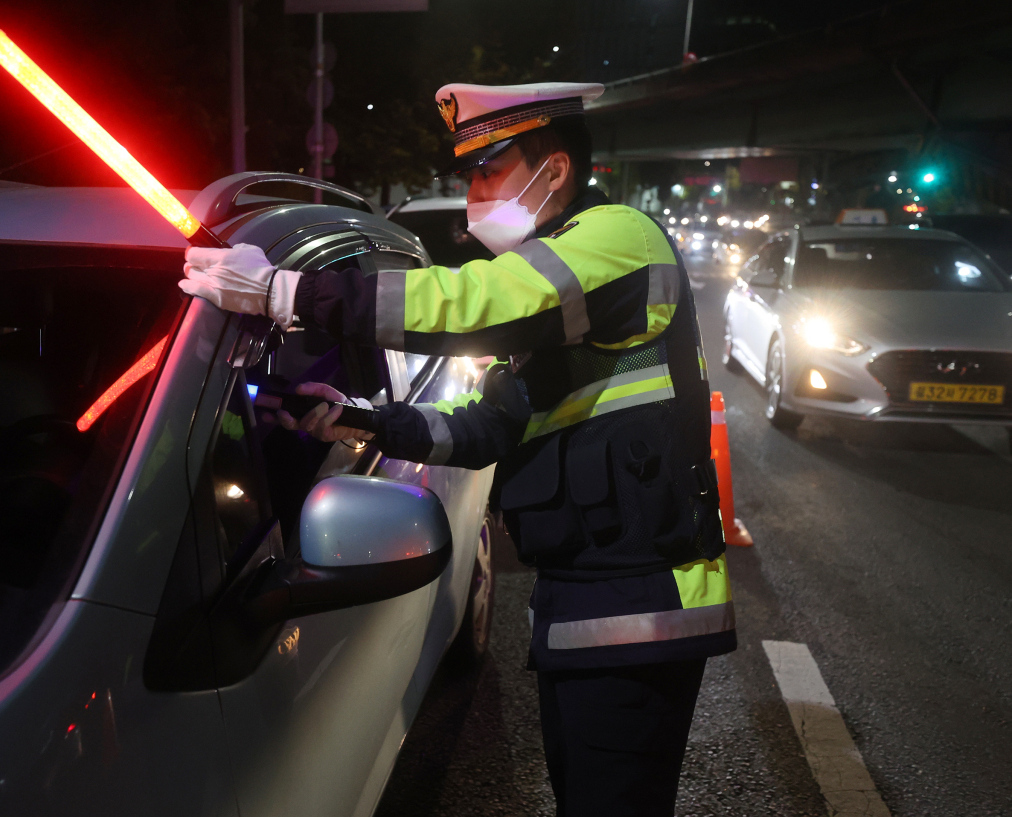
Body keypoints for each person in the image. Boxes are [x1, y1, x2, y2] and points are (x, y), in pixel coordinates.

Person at [181, 82, 736, 817]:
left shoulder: (618, 239)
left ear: (556, 170)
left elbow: (477, 304)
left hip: (644, 606)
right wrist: (364, 423)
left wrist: (289, 293)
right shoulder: (558, 315)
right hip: (589, 602)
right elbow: (485, 429)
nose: (471, 192)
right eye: (466, 175)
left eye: (487, 171)